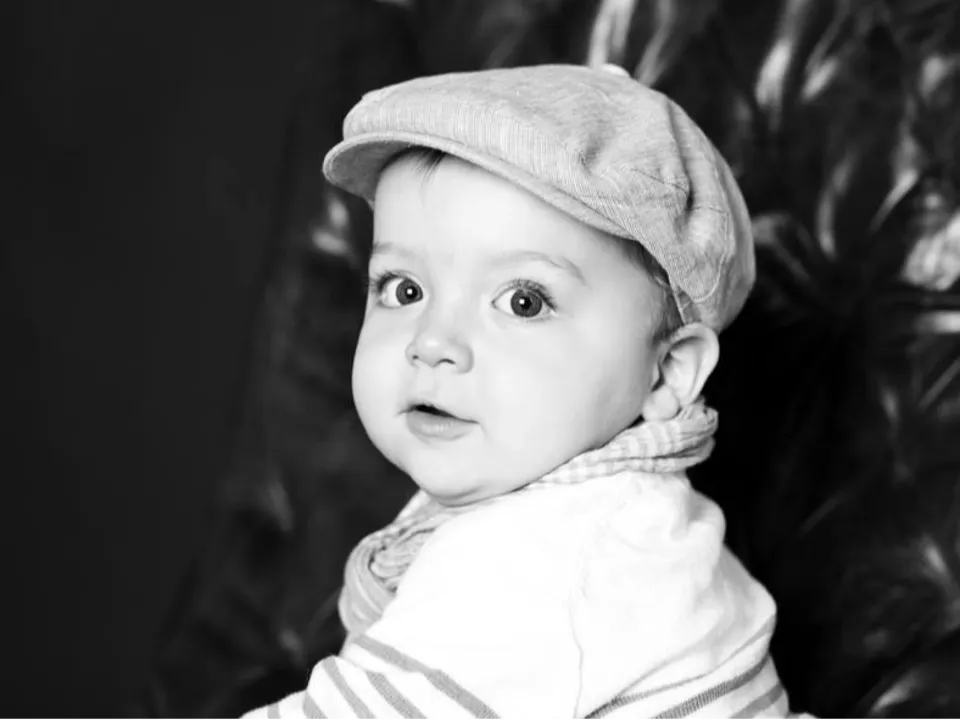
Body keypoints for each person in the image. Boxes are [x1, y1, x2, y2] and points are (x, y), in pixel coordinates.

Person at [243, 63, 812, 719]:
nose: (432, 341)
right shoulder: (602, 509)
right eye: (405, 288)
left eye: (523, 301)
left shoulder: (551, 567)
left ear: (666, 372)